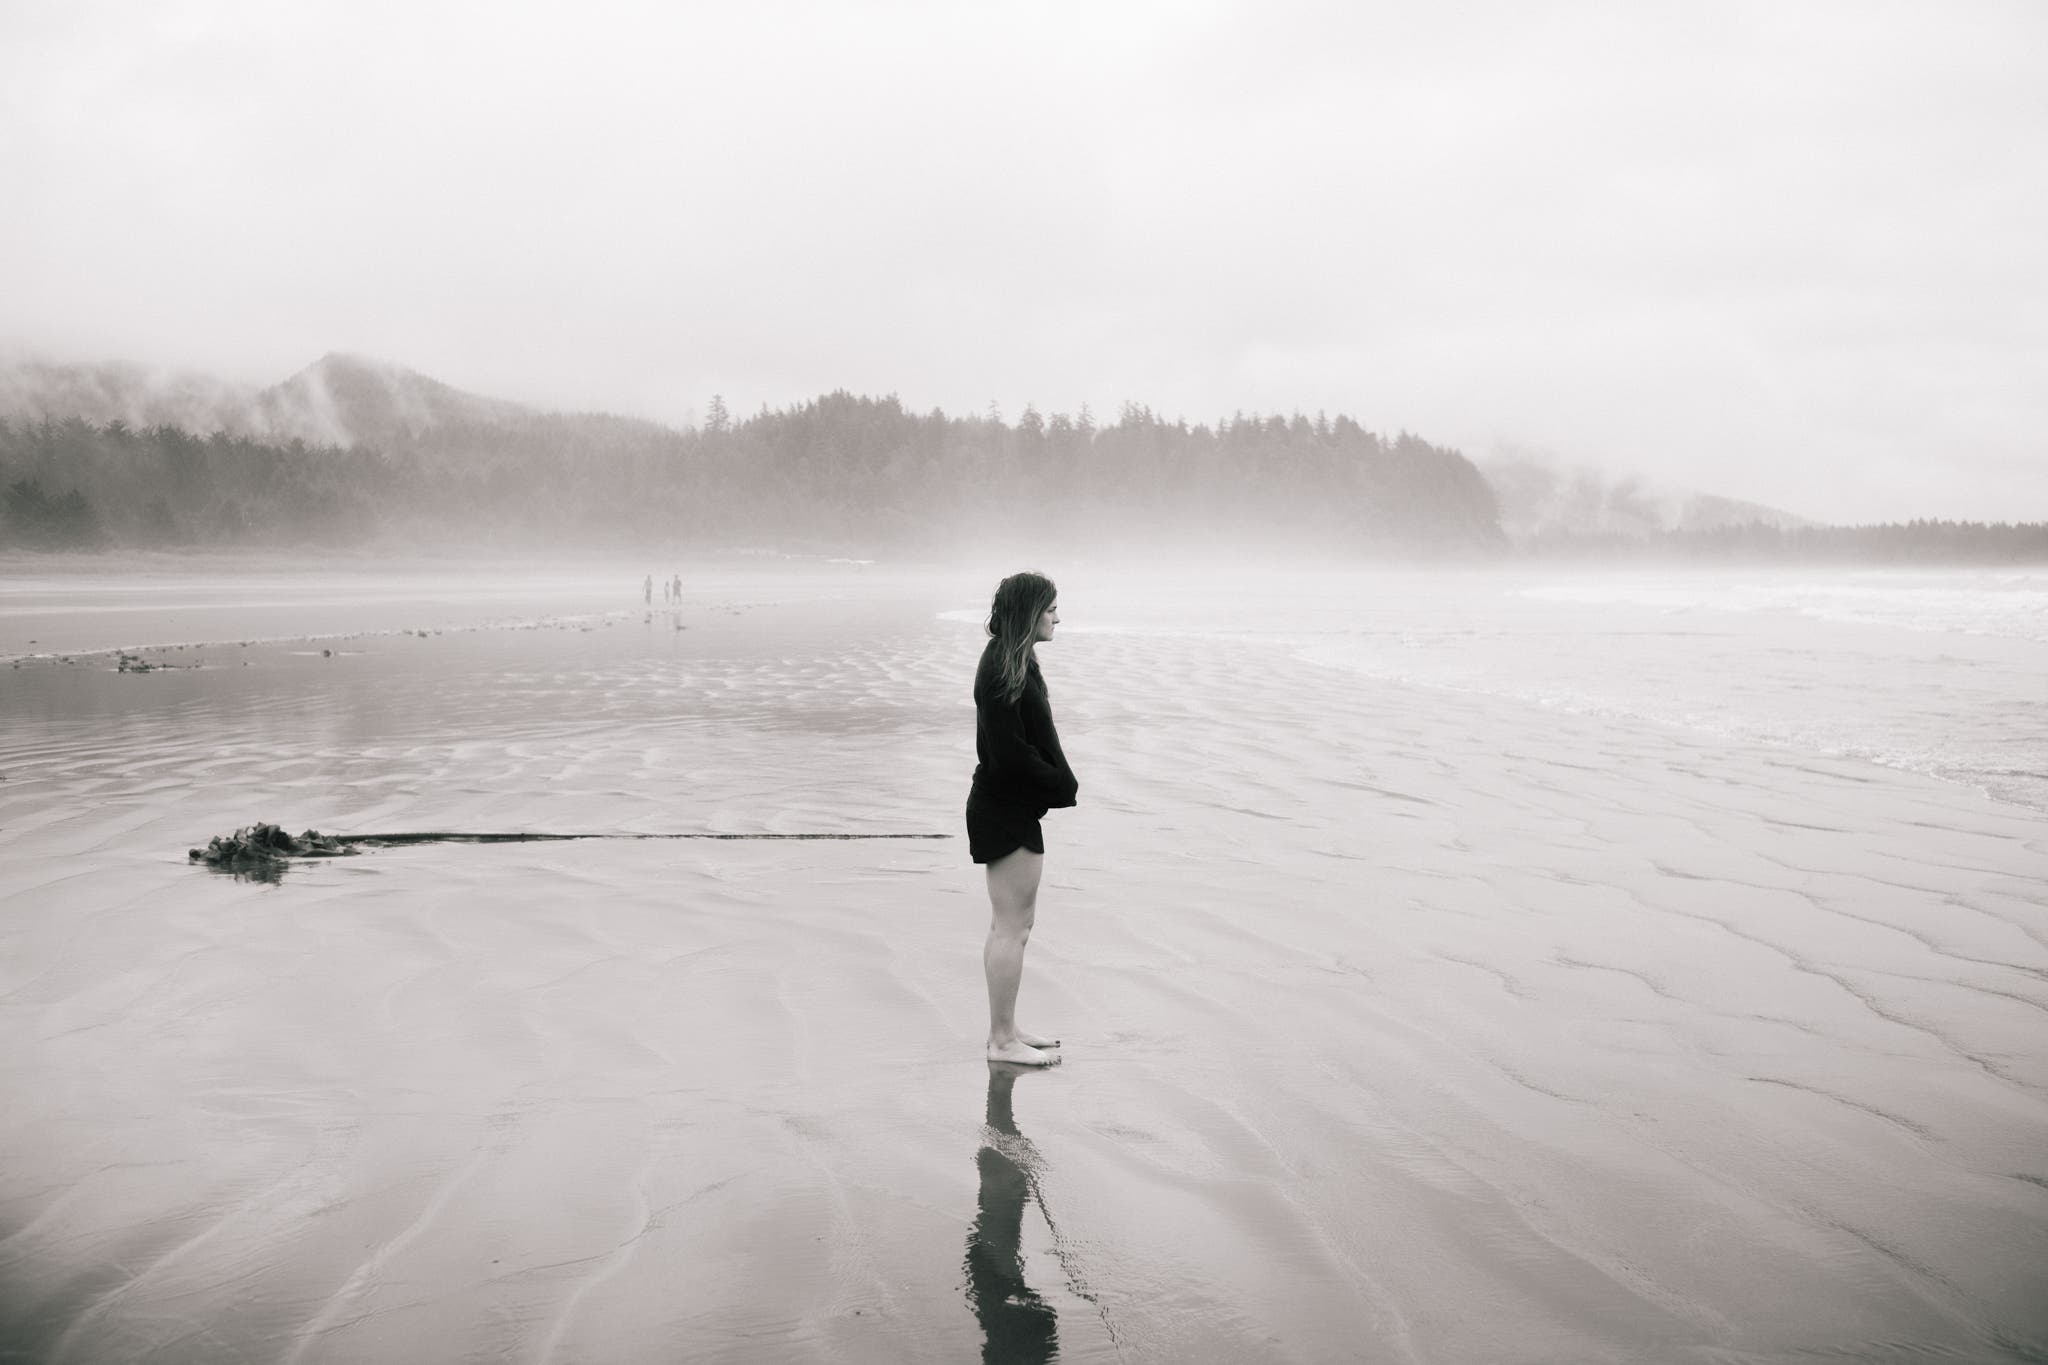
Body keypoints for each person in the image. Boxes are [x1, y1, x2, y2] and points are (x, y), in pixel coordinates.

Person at [967, 572, 1078, 1065]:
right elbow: (1009, 754)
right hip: (1003, 807)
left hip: (1006, 804)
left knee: (1009, 926)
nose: (1058, 616)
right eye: (1051, 607)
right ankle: (1001, 1042)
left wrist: (1056, 782)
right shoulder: (1000, 668)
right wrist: (1059, 783)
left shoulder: (1012, 661)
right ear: (1028, 611)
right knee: (1013, 928)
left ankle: (1006, 1030)